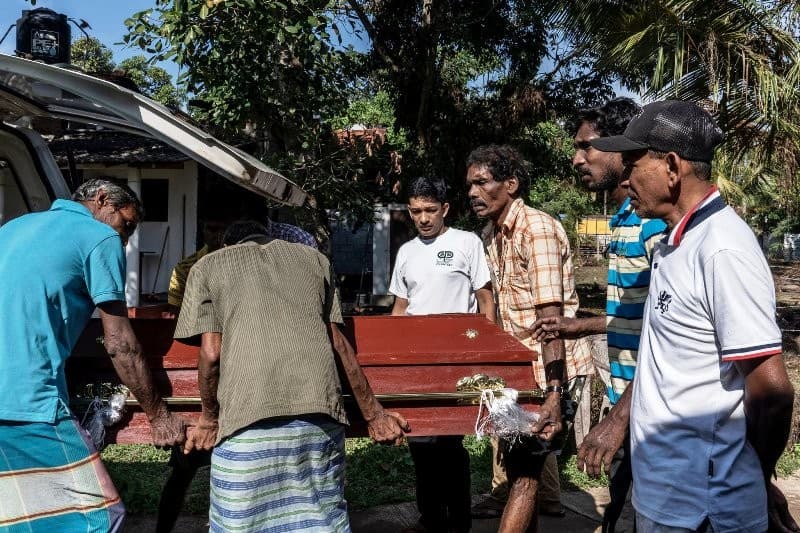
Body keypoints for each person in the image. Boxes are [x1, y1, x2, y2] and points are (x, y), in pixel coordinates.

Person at [586, 100, 797, 532]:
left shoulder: (721, 249)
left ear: (671, 166)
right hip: (670, 498)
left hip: (704, 509)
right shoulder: (677, 242)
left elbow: (772, 392)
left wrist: (752, 478)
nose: (625, 179)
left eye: (633, 164)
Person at [174, 220, 409, 532]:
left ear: (227, 245)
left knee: (241, 523)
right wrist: (375, 415)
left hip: (246, 427)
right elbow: (338, 344)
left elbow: (211, 353)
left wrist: (208, 421)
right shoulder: (315, 260)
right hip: (318, 422)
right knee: (319, 521)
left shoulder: (208, 265)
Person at [0, 178, 187, 532]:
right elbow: (118, 342)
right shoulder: (99, 236)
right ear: (101, 199)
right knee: (99, 517)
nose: (125, 241)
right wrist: (159, 415)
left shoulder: (15, 226)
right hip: (28, 400)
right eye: (126, 225)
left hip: (13, 397)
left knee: (18, 517)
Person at [530, 97, 667, 532]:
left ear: (621, 148)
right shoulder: (625, 218)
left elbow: (673, 331)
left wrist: (618, 418)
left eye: (585, 146)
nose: (577, 159)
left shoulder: (654, 225)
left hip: (652, 411)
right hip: (629, 399)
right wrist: (582, 325)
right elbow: (643, 313)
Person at [159, 215, 319, 533]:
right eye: (211, 227)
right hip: (219, 379)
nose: (215, 234)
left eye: (220, 227)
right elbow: (184, 329)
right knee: (186, 469)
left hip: (242, 379)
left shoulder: (284, 248)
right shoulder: (191, 267)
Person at [466, 145, 594, 532]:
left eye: (482, 183)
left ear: (511, 184)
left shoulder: (536, 230)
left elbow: (551, 320)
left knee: (524, 477)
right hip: (519, 373)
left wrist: (554, 392)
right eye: (470, 184)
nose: (472, 192)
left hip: (552, 371)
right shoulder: (491, 235)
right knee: (522, 473)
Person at [389, 176, 494, 533]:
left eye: (430, 210)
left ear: (445, 209)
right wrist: (393, 358)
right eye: (416, 211)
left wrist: (486, 351)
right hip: (416, 361)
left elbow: (485, 300)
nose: (423, 218)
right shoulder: (407, 252)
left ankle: (458, 522)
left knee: (449, 443)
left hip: (457, 360)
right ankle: (430, 519)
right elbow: (400, 307)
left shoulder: (467, 242)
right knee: (419, 441)